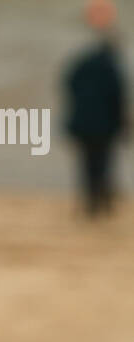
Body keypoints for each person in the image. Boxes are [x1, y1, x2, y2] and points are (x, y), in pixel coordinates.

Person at [63, 0, 129, 215]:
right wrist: (123, 122)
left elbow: (68, 85)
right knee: (102, 164)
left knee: (89, 165)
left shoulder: (80, 62)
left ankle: (92, 203)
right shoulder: (110, 63)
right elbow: (117, 94)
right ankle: (101, 202)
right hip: (102, 124)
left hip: (85, 122)